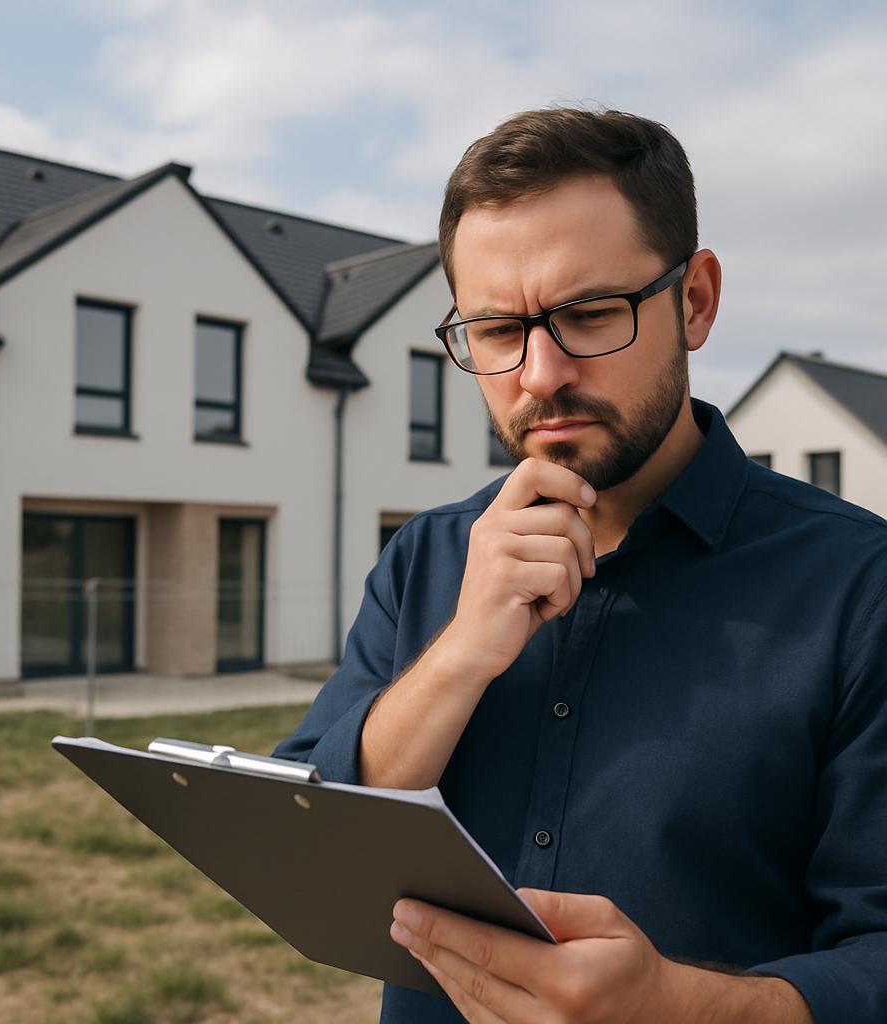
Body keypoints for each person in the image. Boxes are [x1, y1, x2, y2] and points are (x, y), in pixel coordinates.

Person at [273, 108, 887, 1023]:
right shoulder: (426, 558)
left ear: (696, 301)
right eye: (495, 329)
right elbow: (307, 847)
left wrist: (681, 1007)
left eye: (588, 313)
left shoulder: (857, 586)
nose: (539, 373)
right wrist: (460, 654)